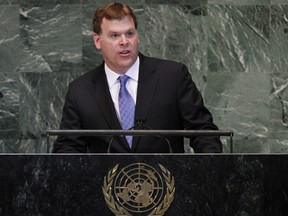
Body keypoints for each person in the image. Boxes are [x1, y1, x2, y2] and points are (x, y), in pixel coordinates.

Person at [52, 2, 222, 153]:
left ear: (137, 36)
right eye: (114, 35)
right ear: (97, 41)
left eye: (130, 33)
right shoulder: (81, 90)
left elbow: (204, 133)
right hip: (106, 187)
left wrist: (206, 173)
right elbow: (68, 148)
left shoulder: (172, 76)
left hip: (168, 185)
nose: (124, 41)